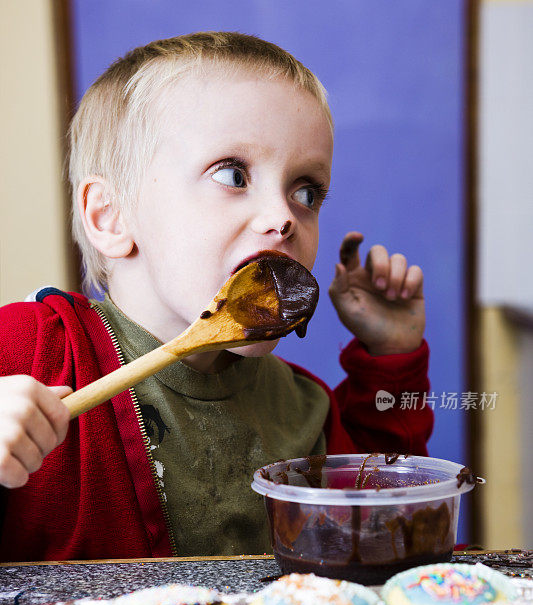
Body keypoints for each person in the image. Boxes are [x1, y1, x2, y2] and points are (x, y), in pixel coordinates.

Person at [0, 32, 432, 561]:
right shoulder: (30, 350)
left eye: (306, 191)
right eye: (233, 174)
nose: (283, 218)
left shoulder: (302, 408)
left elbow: (392, 532)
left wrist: (391, 361)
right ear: (110, 216)